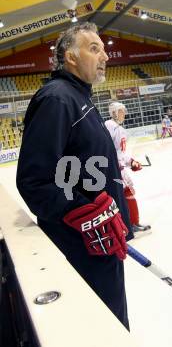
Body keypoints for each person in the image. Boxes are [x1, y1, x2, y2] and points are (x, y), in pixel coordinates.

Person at [16, 22, 130, 329]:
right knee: (100, 331)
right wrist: (85, 213)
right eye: (94, 49)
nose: (104, 55)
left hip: (102, 243)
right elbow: (35, 182)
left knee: (112, 327)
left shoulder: (80, 98)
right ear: (70, 57)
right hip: (82, 249)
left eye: (104, 49)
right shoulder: (58, 99)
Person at [105, 101, 152, 234]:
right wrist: (120, 163)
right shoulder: (109, 125)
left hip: (118, 168)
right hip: (113, 169)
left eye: (123, 111)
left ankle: (131, 223)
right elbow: (108, 149)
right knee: (124, 194)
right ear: (114, 113)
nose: (124, 114)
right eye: (120, 111)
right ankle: (129, 224)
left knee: (126, 194)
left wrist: (131, 162)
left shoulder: (120, 129)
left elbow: (121, 153)